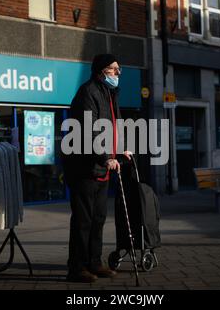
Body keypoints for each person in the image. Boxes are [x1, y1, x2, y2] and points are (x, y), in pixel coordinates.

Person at [63, 54, 131, 283]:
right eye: (114, 69)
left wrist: (121, 151)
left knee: (99, 218)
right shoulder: (88, 92)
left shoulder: (109, 93)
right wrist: (105, 157)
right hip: (84, 169)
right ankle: (77, 268)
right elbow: (88, 131)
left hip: (101, 168)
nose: (117, 73)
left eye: (118, 69)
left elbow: (115, 126)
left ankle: (94, 262)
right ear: (102, 71)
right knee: (83, 221)